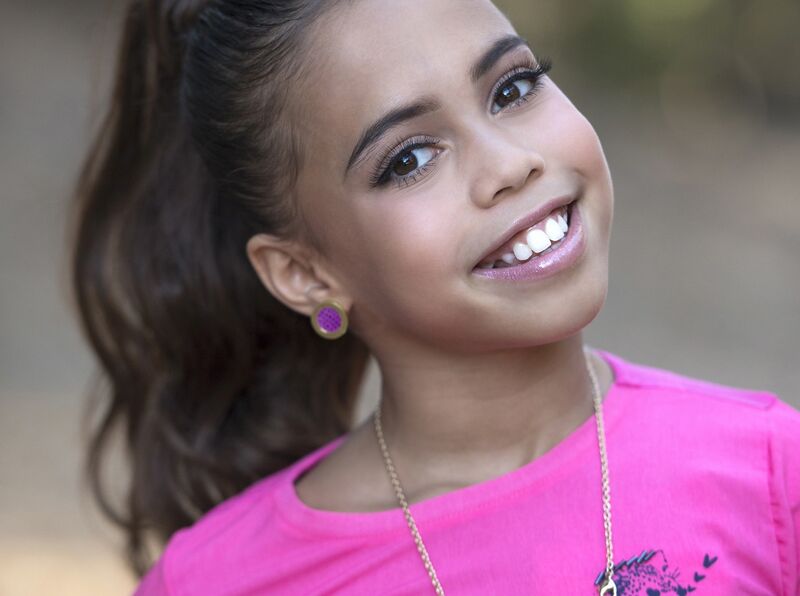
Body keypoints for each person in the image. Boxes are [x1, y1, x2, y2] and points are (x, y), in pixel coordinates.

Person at [69, 0, 800, 594]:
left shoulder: (769, 471)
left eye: (512, 89)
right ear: (305, 274)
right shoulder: (215, 582)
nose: (510, 165)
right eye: (410, 159)